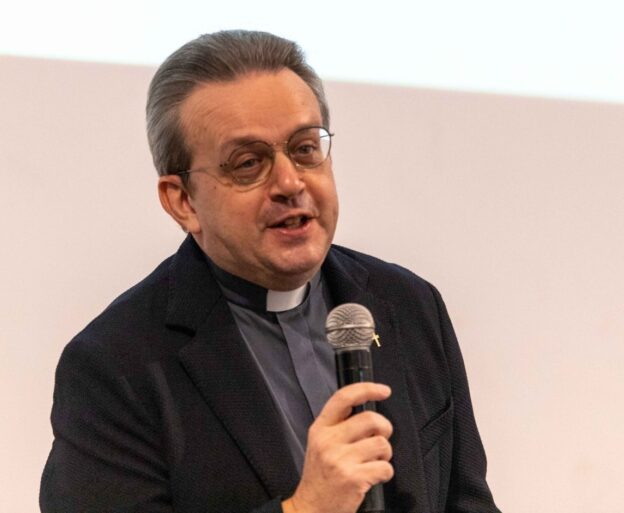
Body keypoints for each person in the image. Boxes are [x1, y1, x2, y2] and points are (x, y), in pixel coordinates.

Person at [40, 30, 500, 513]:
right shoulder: (114, 367)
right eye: (248, 163)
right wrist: (308, 507)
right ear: (182, 201)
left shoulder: (407, 304)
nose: (289, 182)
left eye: (304, 149)